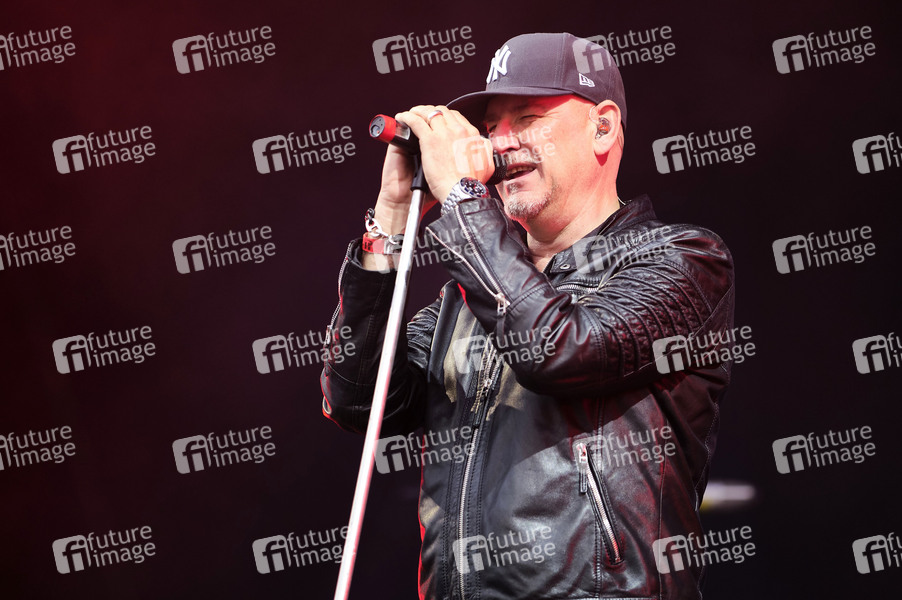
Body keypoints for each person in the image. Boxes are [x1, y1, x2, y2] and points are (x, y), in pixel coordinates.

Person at [321, 32, 734, 600]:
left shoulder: (683, 259)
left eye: (528, 118)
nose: (502, 143)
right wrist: (391, 216)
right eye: (492, 126)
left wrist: (462, 197)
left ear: (603, 127)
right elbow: (357, 402)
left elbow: (559, 350)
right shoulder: (469, 296)